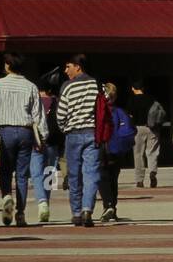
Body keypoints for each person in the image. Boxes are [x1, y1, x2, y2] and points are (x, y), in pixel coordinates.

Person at [0, 52, 45, 228]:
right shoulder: (31, 86)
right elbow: (38, 114)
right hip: (26, 131)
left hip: (6, 130)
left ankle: (6, 197)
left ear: (7, 65)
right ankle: (20, 213)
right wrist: (42, 136)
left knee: (5, 171)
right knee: (22, 175)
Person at [57, 54, 103, 227]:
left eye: (68, 66)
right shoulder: (97, 84)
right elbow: (105, 106)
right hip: (93, 133)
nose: (66, 70)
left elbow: (61, 114)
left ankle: (76, 212)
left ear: (78, 67)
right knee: (91, 173)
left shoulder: (67, 87)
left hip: (73, 134)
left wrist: (64, 127)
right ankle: (87, 210)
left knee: (74, 174)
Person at [28, 84, 60, 222]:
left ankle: (42, 201)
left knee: (36, 173)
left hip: (37, 141)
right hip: (53, 141)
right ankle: (46, 200)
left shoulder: (34, 101)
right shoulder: (56, 102)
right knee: (50, 172)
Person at [129, 78, 167, 189]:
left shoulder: (131, 100)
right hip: (152, 128)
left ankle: (139, 180)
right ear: (143, 88)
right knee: (152, 152)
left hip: (137, 129)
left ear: (132, 88)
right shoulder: (152, 99)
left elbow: (130, 116)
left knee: (138, 154)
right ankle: (152, 173)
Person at [98, 80, 127, 221]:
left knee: (102, 177)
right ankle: (113, 208)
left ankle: (107, 204)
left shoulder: (99, 112)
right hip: (117, 149)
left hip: (103, 147)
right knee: (113, 179)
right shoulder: (120, 111)